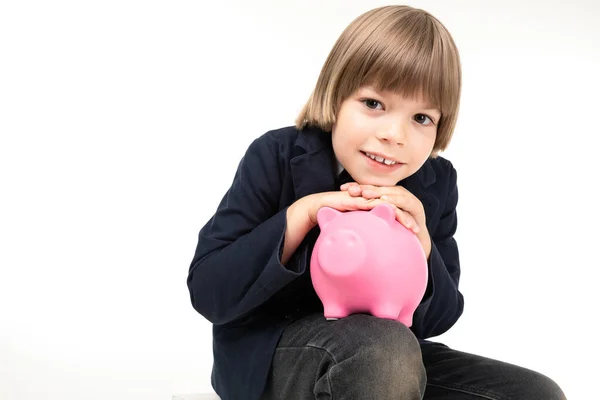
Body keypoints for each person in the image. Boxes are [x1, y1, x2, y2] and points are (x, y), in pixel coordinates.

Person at [187, 5, 567, 400]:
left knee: (535, 393)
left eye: (421, 118)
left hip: (388, 361)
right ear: (335, 99)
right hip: (277, 355)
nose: (394, 134)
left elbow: (440, 318)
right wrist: (301, 215)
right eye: (373, 104)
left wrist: (423, 246)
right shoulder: (277, 154)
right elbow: (209, 290)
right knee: (385, 353)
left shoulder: (435, 183)